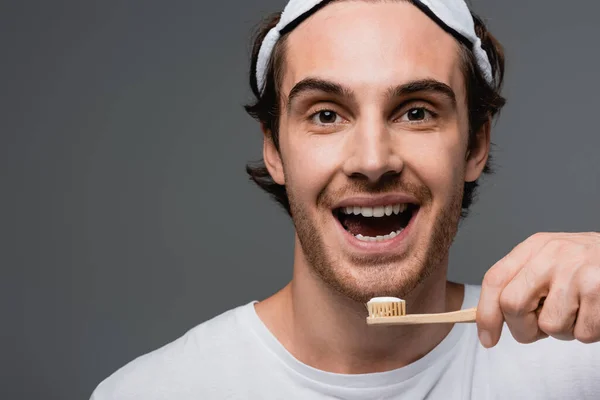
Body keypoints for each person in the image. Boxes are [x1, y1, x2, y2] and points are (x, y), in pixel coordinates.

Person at [90, 0, 600, 398]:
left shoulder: (582, 364)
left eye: (417, 112)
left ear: (475, 144)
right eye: (326, 114)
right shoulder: (149, 393)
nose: (373, 160)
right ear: (274, 149)